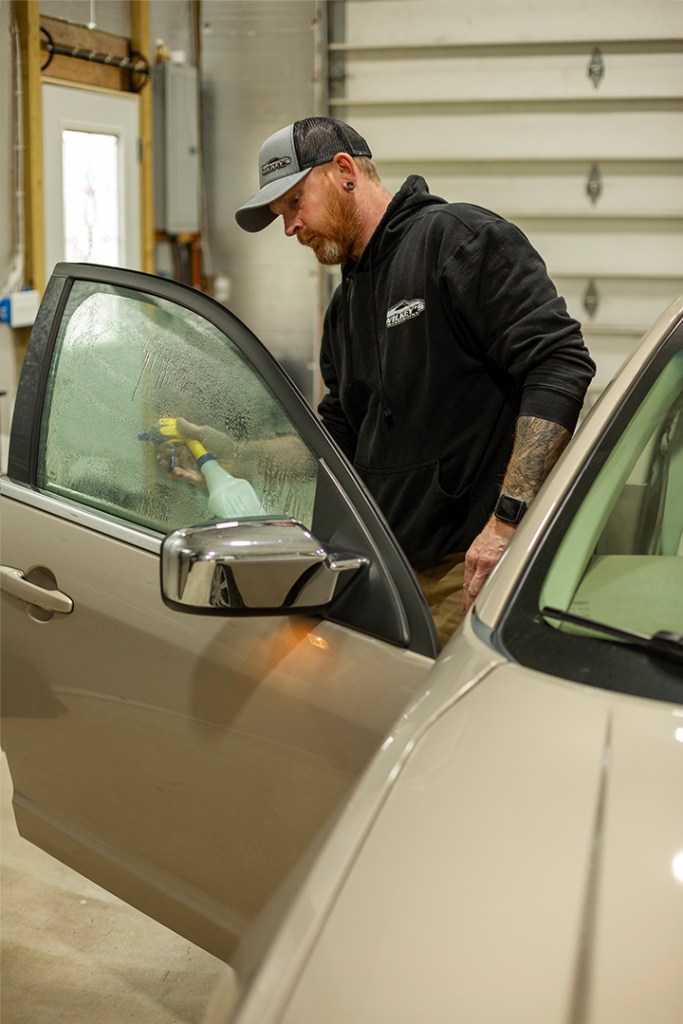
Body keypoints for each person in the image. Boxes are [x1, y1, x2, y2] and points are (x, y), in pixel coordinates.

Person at [233, 117, 595, 646]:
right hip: (389, 572)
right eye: (280, 215)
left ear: (344, 171)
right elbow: (338, 436)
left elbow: (560, 362)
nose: (290, 227)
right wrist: (235, 454)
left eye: (293, 202)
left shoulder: (458, 240)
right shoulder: (344, 307)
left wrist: (506, 524)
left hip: (470, 570)